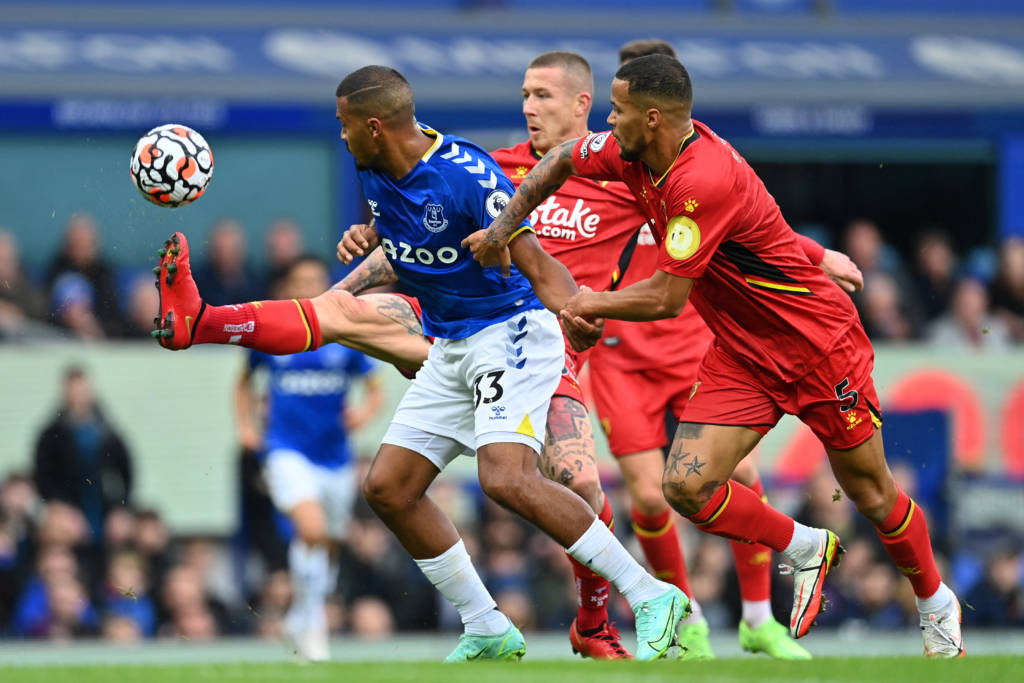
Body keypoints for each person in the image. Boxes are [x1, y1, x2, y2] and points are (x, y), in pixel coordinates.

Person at [152, 65, 687, 661]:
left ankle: (651, 593)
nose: (341, 136)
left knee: (508, 478)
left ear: (374, 127)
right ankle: (485, 625)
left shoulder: (468, 176)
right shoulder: (374, 166)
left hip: (512, 332)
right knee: (389, 488)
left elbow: (537, 264)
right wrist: (370, 237)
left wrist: (579, 309)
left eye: (345, 125)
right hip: (449, 339)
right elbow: (408, 232)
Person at [466, 54, 963, 657]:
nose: (608, 122)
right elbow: (563, 159)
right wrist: (503, 229)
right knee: (684, 488)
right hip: (743, 353)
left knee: (872, 494)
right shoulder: (627, 152)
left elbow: (666, 298)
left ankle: (935, 603)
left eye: (618, 111)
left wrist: (585, 302)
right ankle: (803, 545)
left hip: (818, 347)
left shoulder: (702, 180)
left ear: (652, 118)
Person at [235, 255, 384, 660]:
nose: (307, 287)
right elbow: (244, 382)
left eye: (314, 280)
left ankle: (299, 616)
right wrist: (246, 427)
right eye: (299, 280)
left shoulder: (342, 333)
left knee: (328, 543)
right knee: (312, 530)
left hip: (334, 456)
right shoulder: (273, 333)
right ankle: (314, 623)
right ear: (287, 288)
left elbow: (374, 386)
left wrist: (363, 413)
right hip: (286, 450)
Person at [33, 366, 133, 545]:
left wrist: (120, 509)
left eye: (82, 391)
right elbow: (43, 478)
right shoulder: (51, 435)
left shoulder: (108, 433)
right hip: (70, 512)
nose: (78, 397)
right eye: (74, 392)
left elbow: (126, 471)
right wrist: (62, 509)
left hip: (103, 511)